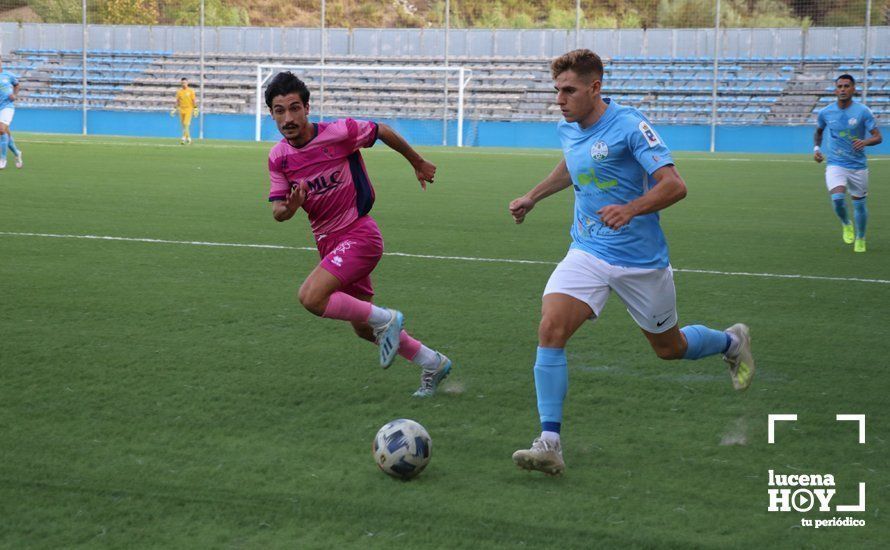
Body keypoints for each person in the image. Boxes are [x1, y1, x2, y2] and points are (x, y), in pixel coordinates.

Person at [508, 49, 754, 476]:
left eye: (569, 90)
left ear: (595, 87)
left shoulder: (630, 126)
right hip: (586, 250)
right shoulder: (568, 127)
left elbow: (675, 186)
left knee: (669, 348)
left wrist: (632, 209)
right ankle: (549, 442)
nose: (560, 99)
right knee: (550, 328)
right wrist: (533, 196)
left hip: (640, 261)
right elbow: (572, 165)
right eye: (557, 90)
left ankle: (731, 343)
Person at [265, 71, 452, 397]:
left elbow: (381, 130)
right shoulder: (278, 157)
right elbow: (278, 211)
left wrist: (417, 162)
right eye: (280, 110)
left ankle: (389, 317)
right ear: (272, 114)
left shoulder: (339, 132)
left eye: (294, 108)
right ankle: (432, 362)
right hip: (328, 245)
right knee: (365, 329)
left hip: (359, 235)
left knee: (311, 297)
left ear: (307, 108)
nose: (288, 118)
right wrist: (292, 207)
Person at [814, 74, 882, 253]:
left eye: (847, 86)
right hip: (835, 163)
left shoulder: (862, 111)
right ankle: (846, 223)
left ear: (854, 89)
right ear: (836, 90)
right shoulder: (826, 112)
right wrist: (816, 149)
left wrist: (865, 142)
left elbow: (878, 137)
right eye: (840, 86)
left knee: (859, 204)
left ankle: (861, 237)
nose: (843, 89)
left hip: (858, 166)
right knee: (837, 199)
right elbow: (819, 131)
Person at [0, 58, 23, 169]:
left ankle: (2, 159)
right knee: (5, 132)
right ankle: (17, 152)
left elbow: (17, 85)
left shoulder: (8, 75)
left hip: (7, 106)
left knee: (1, 129)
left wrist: (14, 95)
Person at [171, 77, 198, 144]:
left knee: (186, 123)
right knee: (184, 125)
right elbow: (177, 101)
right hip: (181, 109)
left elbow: (193, 100)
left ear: (187, 83)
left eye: (185, 83)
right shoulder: (179, 92)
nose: (184, 84)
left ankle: (186, 138)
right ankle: (186, 138)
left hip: (189, 109)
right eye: (182, 83)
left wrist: (195, 108)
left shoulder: (191, 91)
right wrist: (174, 108)